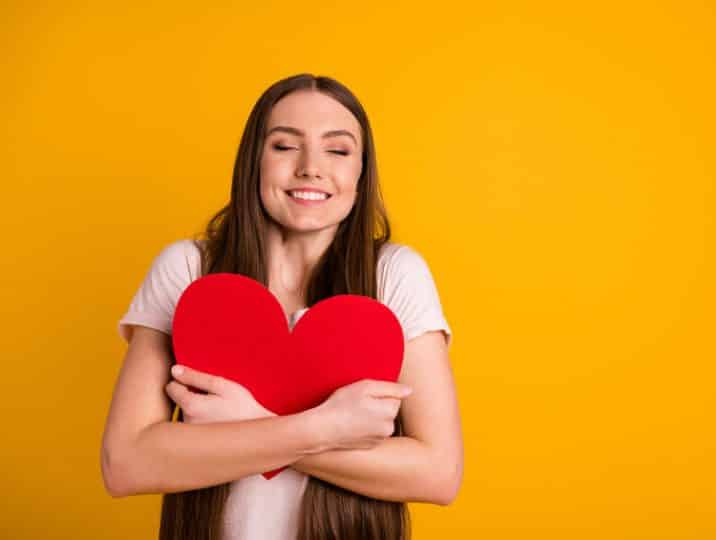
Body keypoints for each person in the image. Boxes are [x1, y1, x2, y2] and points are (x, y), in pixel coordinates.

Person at [100, 73, 463, 540]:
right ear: (254, 160)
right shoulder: (189, 270)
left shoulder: (394, 275)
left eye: (337, 150)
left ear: (360, 172)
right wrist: (326, 427)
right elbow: (125, 463)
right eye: (285, 146)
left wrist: (249, 422)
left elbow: (437, 473)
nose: (311, 167)